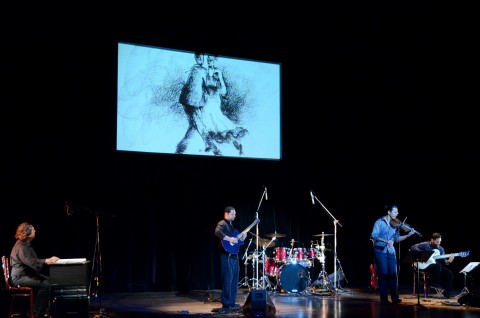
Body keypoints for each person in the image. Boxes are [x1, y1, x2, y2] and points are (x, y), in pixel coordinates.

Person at [9, 222, 59, 317]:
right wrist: (47, 260)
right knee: (46, 284)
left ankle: (46, 310)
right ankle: (36, 313)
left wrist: (45, 261)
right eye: (33, 229)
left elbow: (33, 261)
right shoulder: (21, 247)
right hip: (19, 278)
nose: (35, 230)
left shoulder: (25, 245)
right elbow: (31, 262)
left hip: (25, 275)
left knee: (50, 281)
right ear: (27, 234)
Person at [202, 54, 248, 156]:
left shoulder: (218, 72)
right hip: (206, 100)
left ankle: (239, 147)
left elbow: (223, 91)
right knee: (207, 122)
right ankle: (210, 146)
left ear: (214, 61)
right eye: (208, 60)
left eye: (211, 60)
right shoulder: (204, 72)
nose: (209, 61)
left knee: (220, 122)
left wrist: (219, 79)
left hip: (214, 100)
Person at [176, 52, 220, 155]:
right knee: (198, 123)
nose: (201, 60)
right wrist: (215, 81)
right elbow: (209, 84)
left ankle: (181, 147)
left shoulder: (192, 69)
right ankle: (212, 147)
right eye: (200, 58)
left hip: (188, 101)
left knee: (194, 124)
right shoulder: (201, 70)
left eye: (202, 58)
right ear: (196, 58)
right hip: (193, 102)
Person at [370, 204, 416, 305]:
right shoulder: (379, 222)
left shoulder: (395, 224)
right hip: (380, 251)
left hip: (391, 252)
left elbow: (396, 239)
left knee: (393, 275)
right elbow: (374, 235)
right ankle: (384, 298)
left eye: (397, 212)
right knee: (383, 275)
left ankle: (395, 297)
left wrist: (408, 235)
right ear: (389, 212)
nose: (397, 214)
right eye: (395, 212)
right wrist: (386, 241)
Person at [214, 206, 246, 309]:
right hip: (226, 255)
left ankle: (231, 302)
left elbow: (238, 242)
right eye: (232, 214)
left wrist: (243, 237)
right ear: (226, 214)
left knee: (234, 279)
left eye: (235, 214)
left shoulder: (232, 227)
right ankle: (226, 303)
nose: (234, 216)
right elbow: (217, 232)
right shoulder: (222, 223)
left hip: (234, 256)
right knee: (227, 279)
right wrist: (230, 239)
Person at [410, 232, 455, 298]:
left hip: (435, 267)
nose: (439, 243)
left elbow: (444, 262)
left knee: (450, 273)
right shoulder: (425, 245)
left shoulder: (441, 249)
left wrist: (448, 261)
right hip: (424, 266)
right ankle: (436, 284)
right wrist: (422, 254)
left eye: (440, 241)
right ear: (432, 240)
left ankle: (447, 294)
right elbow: (413, 247)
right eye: (437, 241)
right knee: (438, 265)